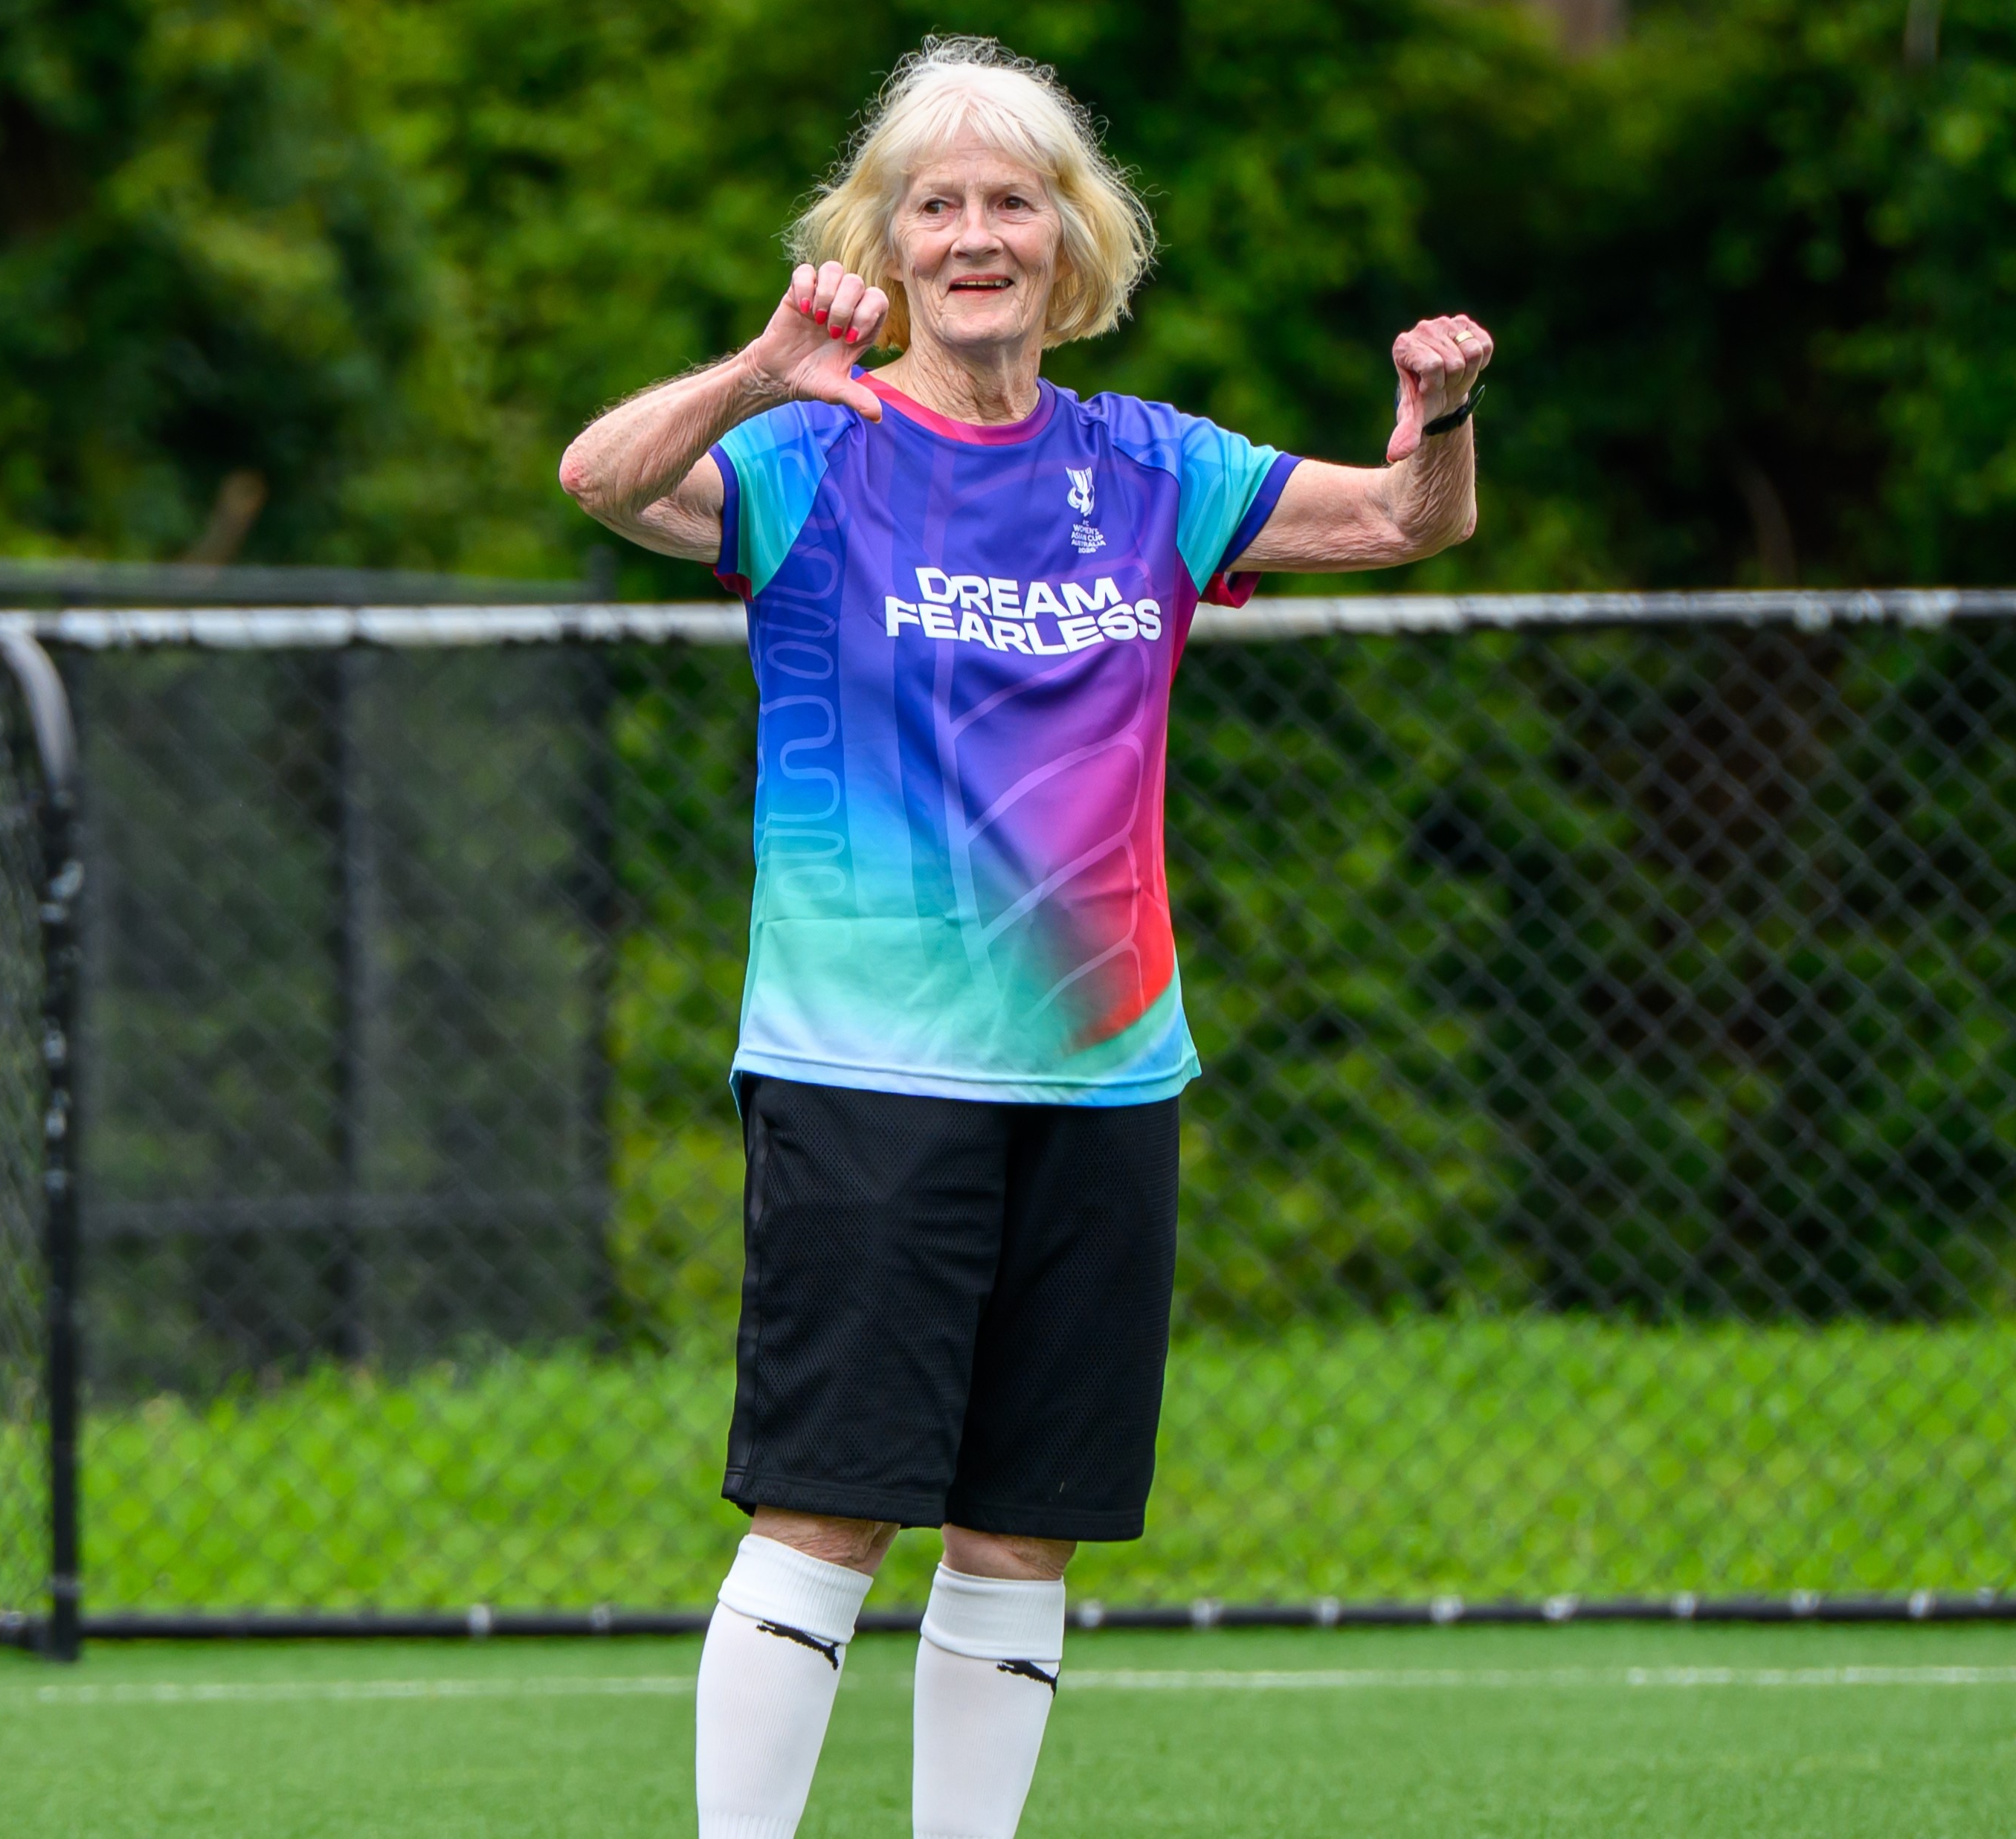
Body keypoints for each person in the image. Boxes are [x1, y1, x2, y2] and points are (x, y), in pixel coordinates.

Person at [555, 35, 1490, 1839]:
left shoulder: (1152, 464)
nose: (974, 234)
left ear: (1072, 243)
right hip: (863, 1067)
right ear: (887, 243)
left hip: (1103, 1074)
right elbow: (602, 479)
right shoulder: (815, 450)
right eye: (937, 206)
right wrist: (758, 368)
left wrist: (1437, 418)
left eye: (1011, 202)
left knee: (1021, 1530)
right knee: (827, 1512)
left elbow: (1401, 520)